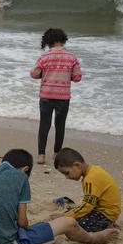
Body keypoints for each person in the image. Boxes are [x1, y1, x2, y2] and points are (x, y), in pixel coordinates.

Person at [0, 150, 119, 244]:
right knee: (69, 223)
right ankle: (94, 238)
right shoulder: (20, 178)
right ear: (25, 169)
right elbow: (22, 223)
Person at [30, 28, 81, 165]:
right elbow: (77, 77)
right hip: (63, 97)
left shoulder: (44, 57)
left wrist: (44, 75)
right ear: (63, 40)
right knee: (60, 125)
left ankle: (41, 155)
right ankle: (57, 153)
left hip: (46, 95)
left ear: (48, 42)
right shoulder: (72, 57)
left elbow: (34, 73)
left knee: (44, 124)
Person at [55, 148, 122, 232]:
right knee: (67, 204)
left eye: (67, 173)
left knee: (75, 225)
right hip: (100, 209)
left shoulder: (90, 179)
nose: (67, 177)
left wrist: (65, 216)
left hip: (106, 214)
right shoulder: (93, 170)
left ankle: (107, 225)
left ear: (77, 165)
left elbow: (87, 206)